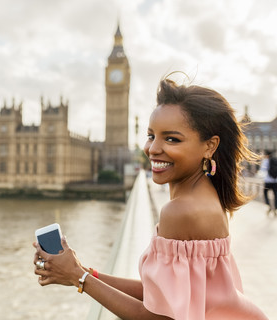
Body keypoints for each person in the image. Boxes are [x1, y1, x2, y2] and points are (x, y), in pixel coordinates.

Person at [33, 77, 268, 319]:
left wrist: (77, 278)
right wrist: (81, 270)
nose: (152, 148)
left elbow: (157, 317)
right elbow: (161, 295)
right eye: (151, 135)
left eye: (172, 139)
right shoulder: (205, 195)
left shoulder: (181, 211)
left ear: (210, 146)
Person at [261, 149, 277, 216]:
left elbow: (263, 170)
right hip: (275, 181)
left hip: (267, 181)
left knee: (265, 193)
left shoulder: (266, 161)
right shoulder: (275, 160)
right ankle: (276, 208)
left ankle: (269, 206)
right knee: (276, 195)